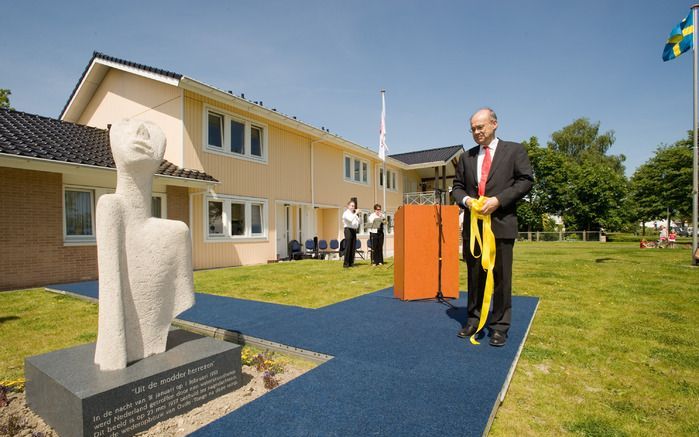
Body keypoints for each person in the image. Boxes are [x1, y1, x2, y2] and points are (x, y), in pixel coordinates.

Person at [451, 108, 534, 347]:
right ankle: (474, 319)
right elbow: (457, 188)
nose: (477, 132)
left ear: (494, 124)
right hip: (473, 228)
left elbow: (526, 180)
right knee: (475, 275)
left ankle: (499, 326)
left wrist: (499, 200)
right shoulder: (466, 157)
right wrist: (467, 201)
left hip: (501, 224)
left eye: (481, 127)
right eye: (473, 129)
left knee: (501, 277)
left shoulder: (514, 150)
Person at [342, 199, 360, 268]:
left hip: (353, 230)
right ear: (348, 206)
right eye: (352, 206)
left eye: (354, 206)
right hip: (348, 230)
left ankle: (351, 263)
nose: (353, 207)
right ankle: (346, 264)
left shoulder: (353, 214)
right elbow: (350, 220)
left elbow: (357, 222)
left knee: (353, 247)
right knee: (348, 247)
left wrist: (357, 215)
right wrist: (355, 213)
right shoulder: (346, 213)